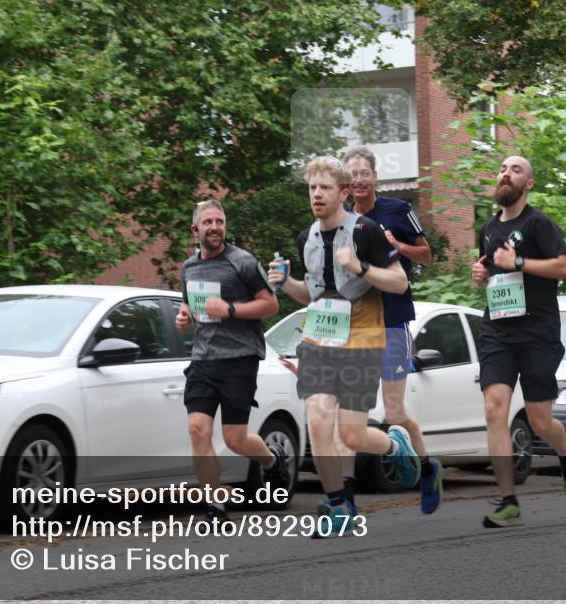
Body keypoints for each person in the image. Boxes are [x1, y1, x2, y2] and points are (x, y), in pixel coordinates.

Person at [268, 156, 420, 535]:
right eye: (312, 188)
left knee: (352, 435)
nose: (317, 195)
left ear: (344, 193)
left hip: (363, 336)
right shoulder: (308, 238)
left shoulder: (366, 231)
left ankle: (393, 444)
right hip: (319, 336)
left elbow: (399, 282)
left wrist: (360, 268)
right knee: (318, 419)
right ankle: (339, 505)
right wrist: (285, 283)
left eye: (325, 188)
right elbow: (313, 295)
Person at [471, 155, 566, 528]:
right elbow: (490, 270)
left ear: (529, 184)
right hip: (498, 331)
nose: (506, 173)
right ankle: (508, 500)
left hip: (537, 332)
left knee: (539, 421)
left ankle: (565, 452)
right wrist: (480, 273)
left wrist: (519, 263)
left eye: (515, 170)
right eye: (502, 168)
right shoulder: (487, 228)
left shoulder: (539, 223)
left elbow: (565, 267)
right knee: (494, 409)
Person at [175, 199, 290, 523]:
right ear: (195, 229)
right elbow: (190, 304)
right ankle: (214, 506)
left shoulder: (242, 262)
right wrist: (184, 317)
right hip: (203, 358)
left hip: (240, 358)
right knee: (197, 429)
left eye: (219, 221)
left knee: (234, 439)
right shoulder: (189, 267)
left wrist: (230, 310)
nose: (215, 227)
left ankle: (272, 460)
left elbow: (270, 305)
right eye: (208, 222)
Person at [342, 146, 441, 514]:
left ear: (375, 177)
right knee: (351, 411)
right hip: (357, 323)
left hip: (394, 319)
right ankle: (346, 500)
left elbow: (427, 254)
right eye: (352, 174)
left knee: (395, 413)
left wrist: (395, 244)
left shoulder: (397, 210)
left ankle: (428, 468)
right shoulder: (344, 219)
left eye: (364, 173)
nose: (358, 179)